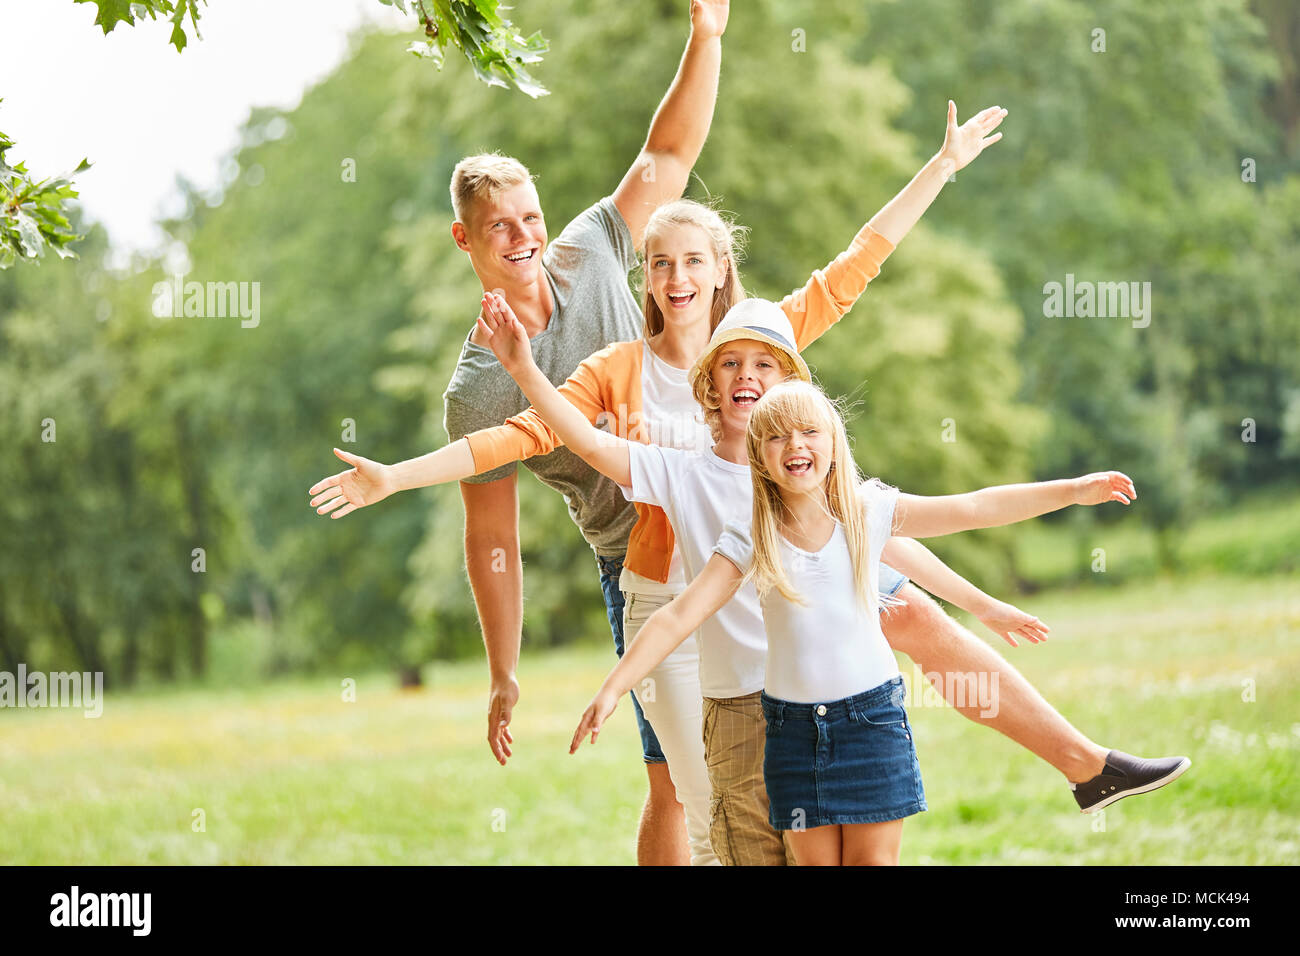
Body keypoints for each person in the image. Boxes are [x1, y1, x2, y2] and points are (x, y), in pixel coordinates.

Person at [309, 99, 1014, 864]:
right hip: (661, 592)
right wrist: (398, 475)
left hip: (757, 580)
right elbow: (520, 439)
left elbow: (853, 267)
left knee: (782, 799)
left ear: (719, 272)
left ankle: (1083, 764)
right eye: (661, 264)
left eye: (694, 262)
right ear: (644, 275)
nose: (678, 278)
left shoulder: (750, 347)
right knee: (708, 805)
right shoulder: (619, 372)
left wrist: (939, 166)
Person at [475, 292, 1192, 864]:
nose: (749, 379)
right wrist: (523, 368)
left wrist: (1029, 542)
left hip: (836, 713)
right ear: (709, 384)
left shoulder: (836, 491)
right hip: (745, 705)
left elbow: (938, 525)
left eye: (766, 366)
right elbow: (593, 448)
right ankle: (1086, 766)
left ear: (802, 398)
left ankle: (1085, 764)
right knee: (747, 849)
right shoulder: (696, 483)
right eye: (730, 365)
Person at [307, 0, 731, 865]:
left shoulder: (593, 247)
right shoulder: (478, 387)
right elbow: (491, 537)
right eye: (500, 225)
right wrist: (505, 670)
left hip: (725, 506)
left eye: (530, 216)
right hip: (640, 555)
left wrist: (706, 37)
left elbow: (670, 154)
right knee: (672, 783)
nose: (523, 236)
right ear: (465, 238)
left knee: (779, 727)